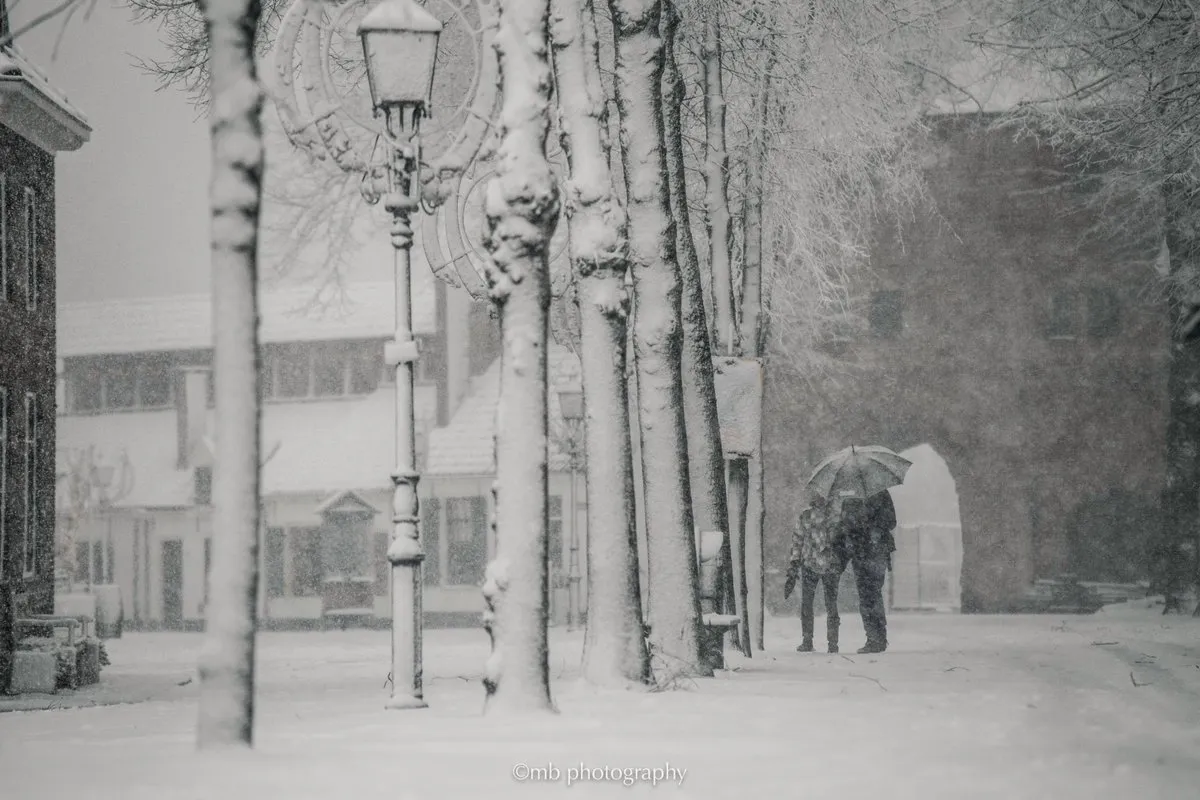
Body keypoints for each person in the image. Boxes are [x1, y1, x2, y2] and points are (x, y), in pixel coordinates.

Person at [785, 493, 849, 653]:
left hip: (811, 563)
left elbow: (797, 541)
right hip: (828, 565)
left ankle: (809, 641)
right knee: (830, 604)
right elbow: (843, 542)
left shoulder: (806, 516)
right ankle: (832, 643)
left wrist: (795, 561)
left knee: (809, 603)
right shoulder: (835, 517)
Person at [842, 490, 897, 654]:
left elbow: (891, 521)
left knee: (872, 593)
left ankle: (877, 637)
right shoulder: (850, 498)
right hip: (860, 551)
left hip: (876, 550)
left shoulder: (880, 494)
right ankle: (874, 637)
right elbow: (845, 525)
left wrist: (876, 527)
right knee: (866, 596)